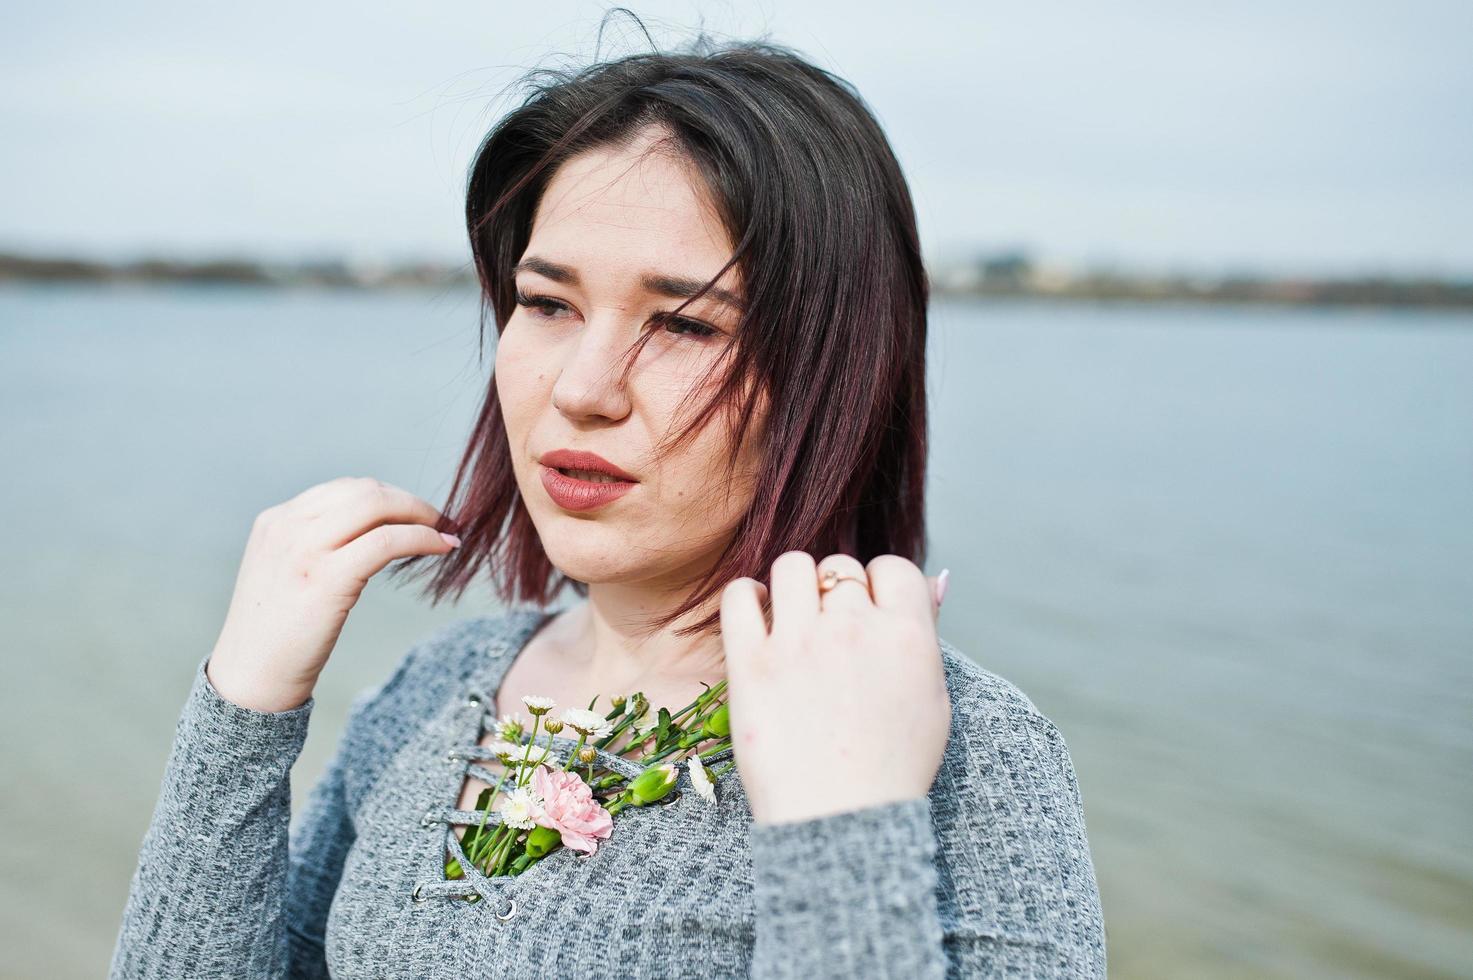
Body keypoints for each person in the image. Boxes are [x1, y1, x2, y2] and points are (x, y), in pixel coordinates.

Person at [109, 26, 1107, 980]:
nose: (583, 386)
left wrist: (842, 832)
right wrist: (243, 704)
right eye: (546, 304)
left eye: (681, 322)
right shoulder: (437, 686)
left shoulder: (967, 748)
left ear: (834, 371)